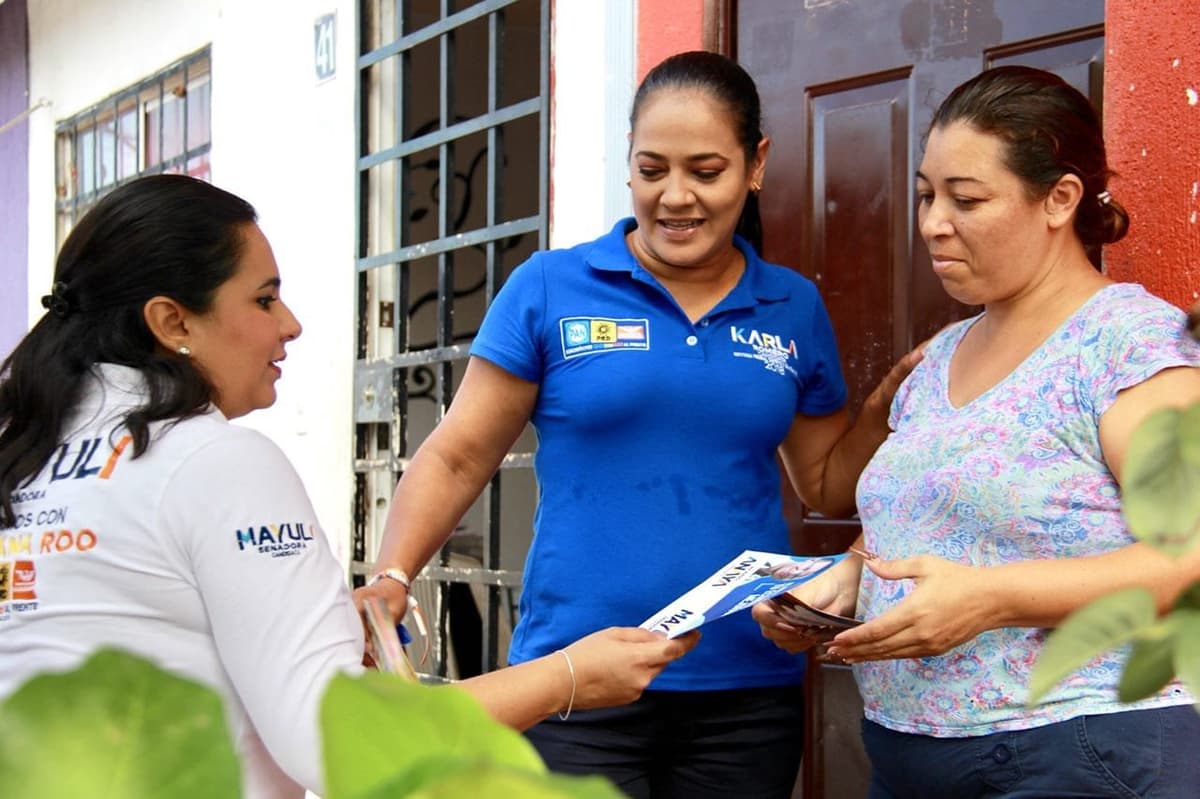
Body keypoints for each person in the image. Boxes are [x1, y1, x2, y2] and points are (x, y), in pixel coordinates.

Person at [0, 174, 698, 799]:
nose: (290, 324)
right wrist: (568, 676)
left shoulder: (21, 456)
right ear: (172, 320)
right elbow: (335, 742)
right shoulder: (213, 461)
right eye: (265, 298)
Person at [356, 51, 920, 799]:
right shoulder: (551, 287)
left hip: (745, 690)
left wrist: (885, 409)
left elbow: (822, 481)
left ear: (755, 165)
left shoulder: (791, 306)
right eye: (652, 169)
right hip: (574, 680)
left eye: (705, 170)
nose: (676, 196)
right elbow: (459, 454)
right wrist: (393, 574)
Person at [754, 65, 1200, 798]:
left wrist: (993, 598)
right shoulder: (940, 357)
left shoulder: (1128, 343)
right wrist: (845, 579)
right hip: (908, 755)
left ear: (1060, 200)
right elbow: (919, 526)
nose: (932, 220)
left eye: (966, 198)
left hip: (1077, 748)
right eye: (928, 194)